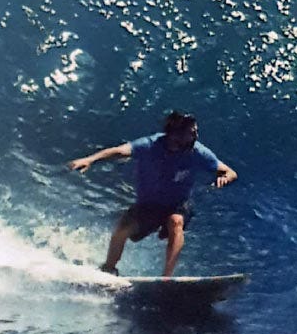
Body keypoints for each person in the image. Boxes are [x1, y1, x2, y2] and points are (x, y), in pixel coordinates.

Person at [67, 111, 238, 277]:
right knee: (122, 230)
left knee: (175, 221)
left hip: (177, 204)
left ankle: (166, 279)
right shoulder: (150, 145)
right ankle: (109, 269)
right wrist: (90, 160)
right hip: (148, 206)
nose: (196, 137)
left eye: (196, 132)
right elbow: (119, 151)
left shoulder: (198, 152)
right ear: (175, 135)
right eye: (191, 133)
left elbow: (228, 171)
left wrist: (226, 177)